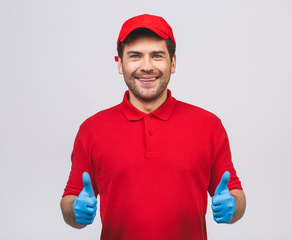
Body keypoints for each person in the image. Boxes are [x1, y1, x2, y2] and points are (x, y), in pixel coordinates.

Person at [60, 14, 246, 240]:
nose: (146, 66)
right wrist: (75, 211)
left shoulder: (209, 125)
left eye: (157, 56)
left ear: (173, 63)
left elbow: (235, 192)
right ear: (120, 64)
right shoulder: (92, 129)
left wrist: (234, 206)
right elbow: (70, 198)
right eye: (135, 56)